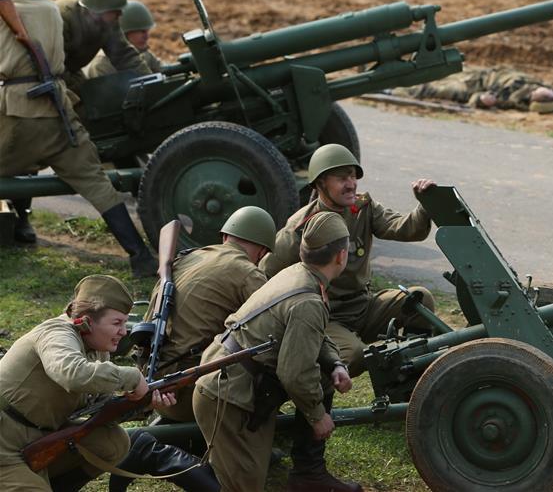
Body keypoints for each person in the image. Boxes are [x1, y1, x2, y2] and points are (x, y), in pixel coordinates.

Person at [0, 0, 157, 277]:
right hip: (59, 111)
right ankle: (140, 256)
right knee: (96, 183)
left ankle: (21, 222)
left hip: (15, 110)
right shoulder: (52, 11)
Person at [193, 212, 360, 492]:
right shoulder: (308, 298)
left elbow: (311, 336)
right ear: (341, 256)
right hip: (228, 397)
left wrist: (335, 364)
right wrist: (317, 416)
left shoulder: (296, 274)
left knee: (250, 477)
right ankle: (156, 456)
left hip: (228, 384)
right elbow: (294, 374)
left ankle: (305, 473)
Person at [260, 143, 436, 376]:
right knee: (354, 356)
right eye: (342, 179)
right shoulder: (301, 226)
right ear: (321, 183)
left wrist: (424, 205)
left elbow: (404, 228)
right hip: (328, 317)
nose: (351, 184)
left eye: (353, 177)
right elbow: (265, 273)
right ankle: (316, 391)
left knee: (421, 301)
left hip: (364, 306)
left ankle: (413, 378)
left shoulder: (364, 208)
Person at [0, 275, 176, 491]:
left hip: (39, 434)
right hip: (4, 440)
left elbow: (101, 408)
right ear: (87, 321)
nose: (124, 331)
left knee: (112, 442)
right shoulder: (56, 334)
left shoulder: (98, 350)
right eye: (117, 323)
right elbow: (72, 374)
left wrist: (144, 403)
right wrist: (131, 377)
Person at [137, 205, 274, 423]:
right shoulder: (248, 273)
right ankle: (248, 435)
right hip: (189, 397)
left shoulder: (188, 257)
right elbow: (275, 323)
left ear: (225, 236)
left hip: (154, 386)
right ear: (263, 252)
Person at [56, 0, 151, 96]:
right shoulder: (63, 18)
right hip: (47, 73)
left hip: (71, 70)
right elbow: (55, 65)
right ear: (97, 11)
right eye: (115, 11)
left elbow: (124, 56)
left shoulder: (109, 21)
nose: (120, 15)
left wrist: (151, 81)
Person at [391, 66, 553, 113]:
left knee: (438, 89)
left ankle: (393, 90)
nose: (545, 92)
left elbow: (478, 99)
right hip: (485, 73)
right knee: (437, 68)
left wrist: (481, 100)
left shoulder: (512, 99)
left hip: (476, 86)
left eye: (543, 96)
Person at [84, 0, 163, 78]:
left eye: (147, 31)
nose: (146, 36)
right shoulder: (102, 65)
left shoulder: (144, 55)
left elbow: (165, 70)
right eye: (141, 31)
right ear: (124, 33)